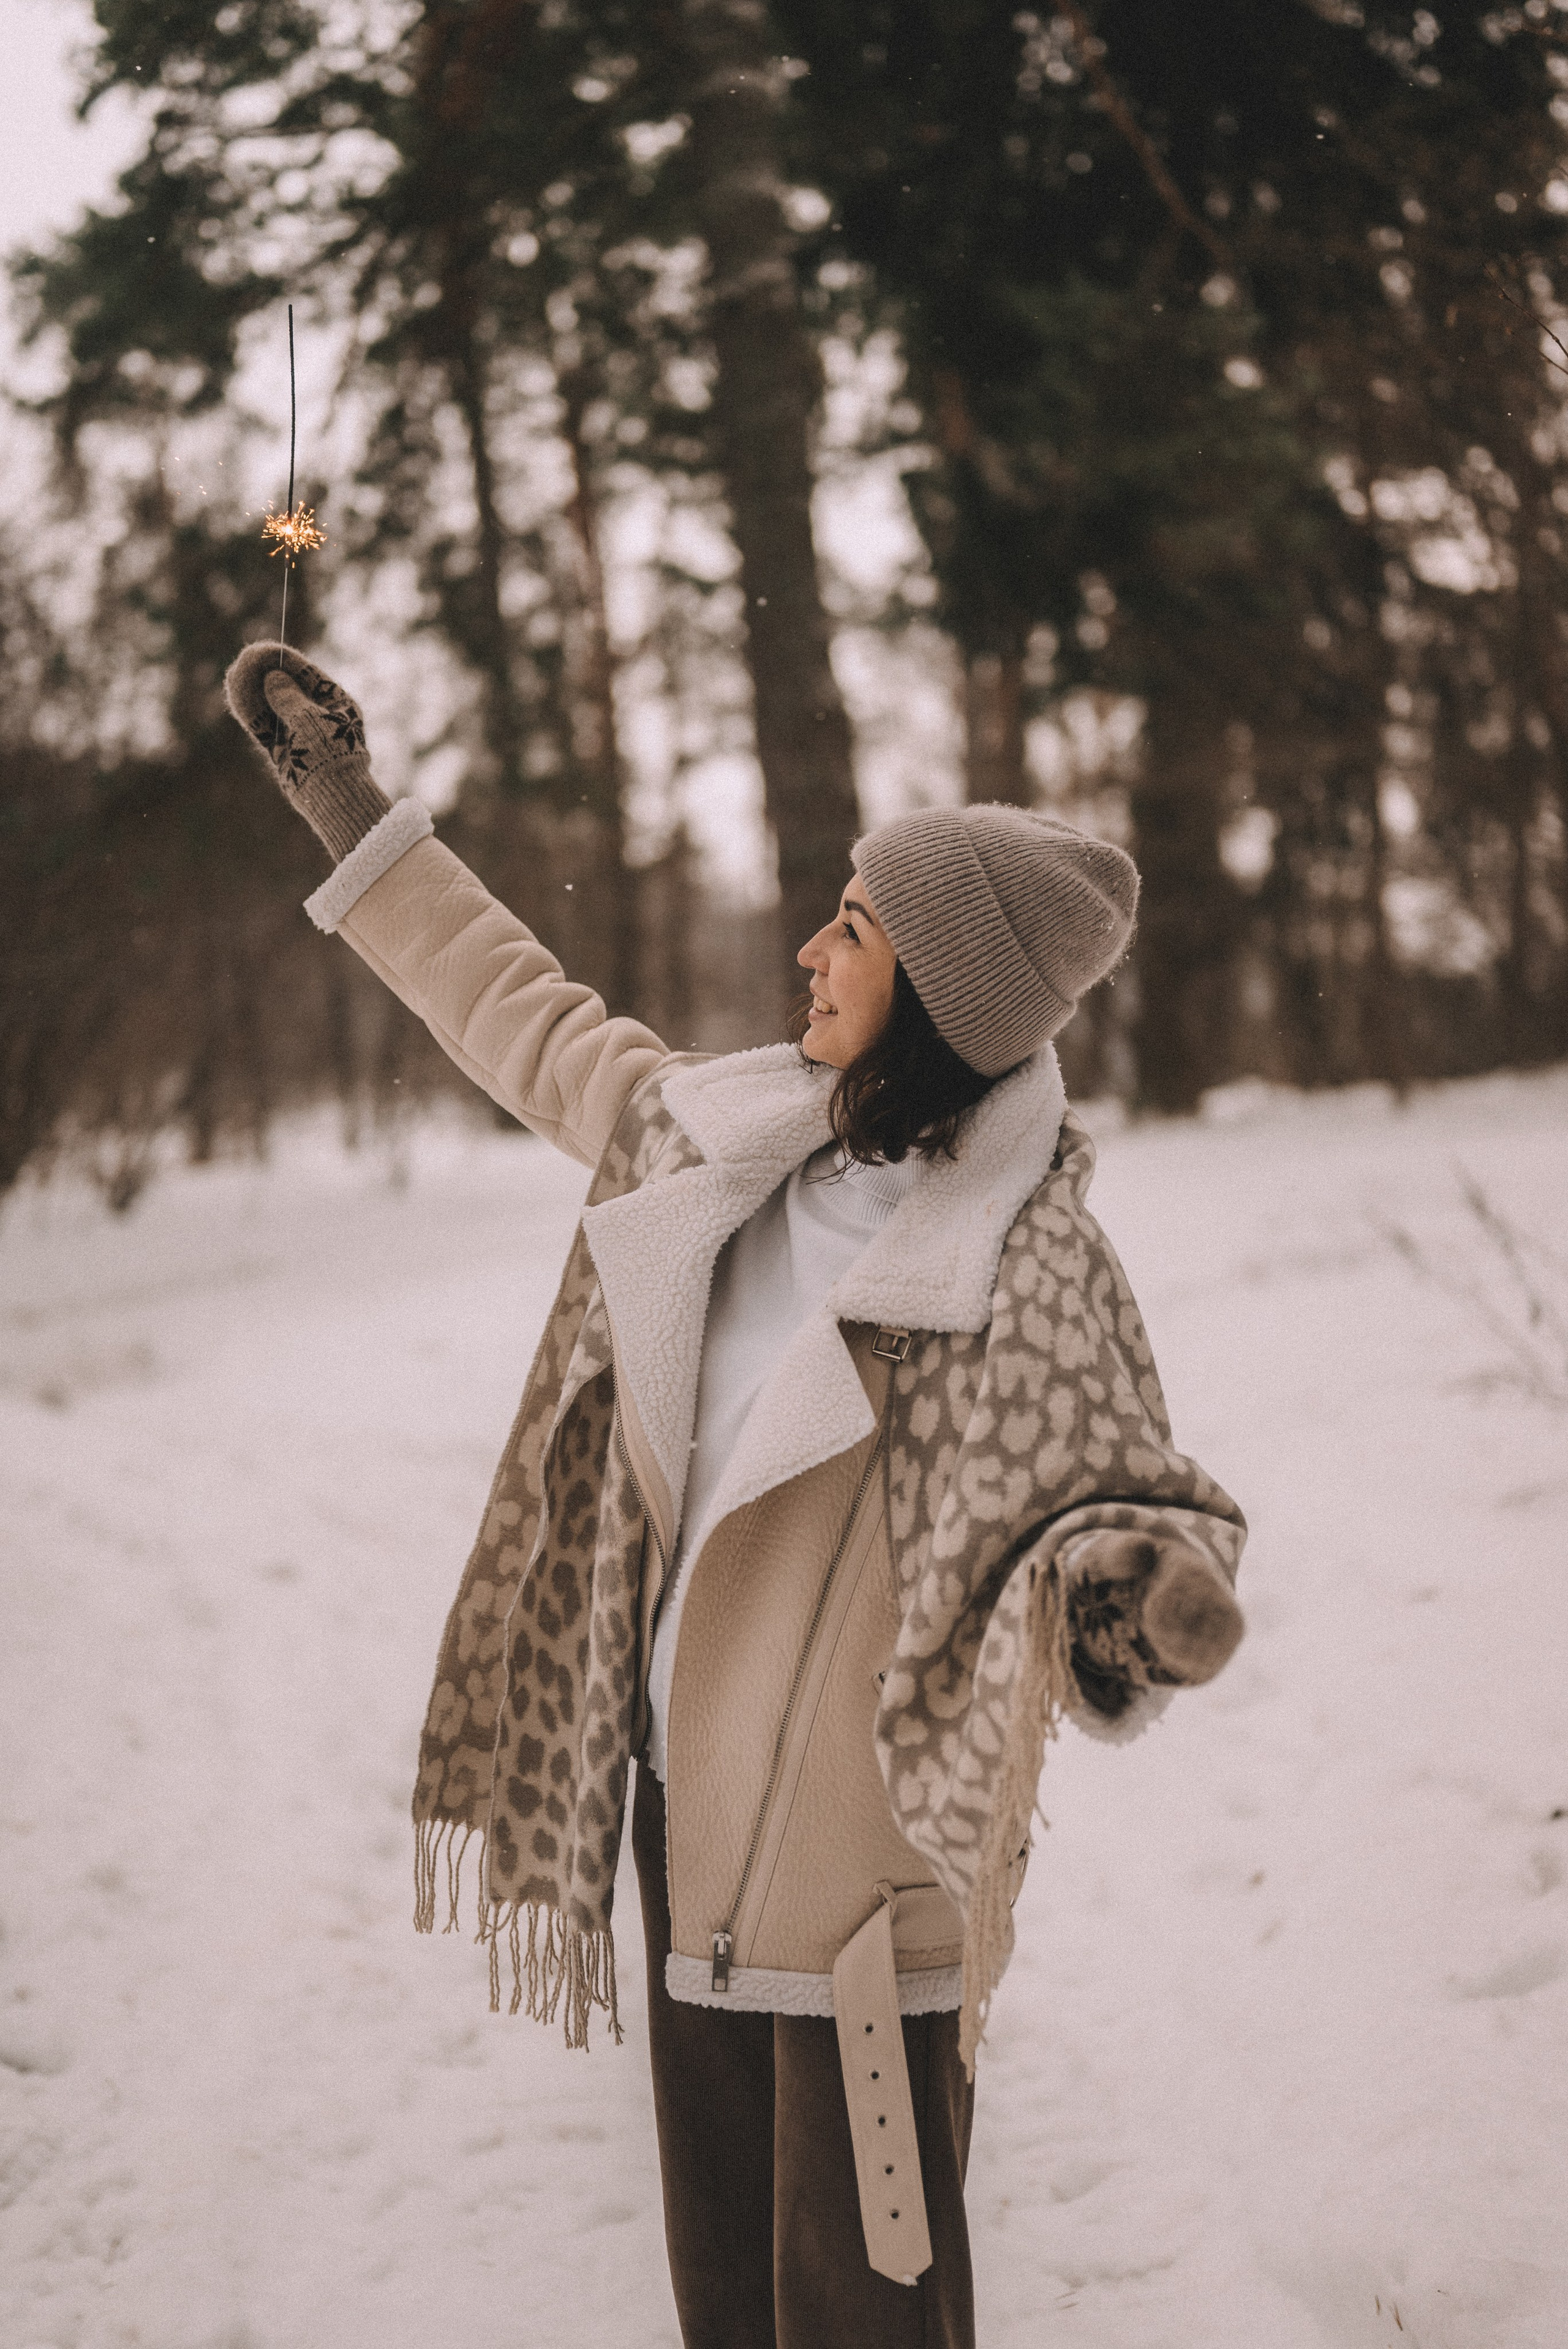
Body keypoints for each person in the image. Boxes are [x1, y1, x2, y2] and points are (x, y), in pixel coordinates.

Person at [225, 641, 1248, 2349]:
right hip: (682, 1816)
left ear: (941, 991)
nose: (811, 952)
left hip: (862, 1891)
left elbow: (1097, 1483)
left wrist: (1135, 1597)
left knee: (862, 2315)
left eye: (854, 928)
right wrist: (353, 813)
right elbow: (525, 1012)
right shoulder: (735, 1141)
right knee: (727, 2301)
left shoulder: (1022, 1256)